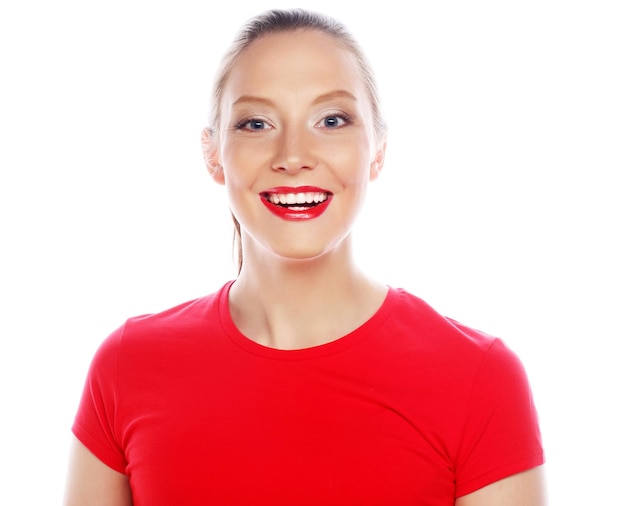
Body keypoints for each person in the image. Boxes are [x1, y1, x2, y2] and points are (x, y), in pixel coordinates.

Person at [63, 8, 546, 505]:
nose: (293, 155)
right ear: (212, 153)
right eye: (256, 123)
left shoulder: (479, 379)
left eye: (331, 120)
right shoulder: (126, 368)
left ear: (378, 147)